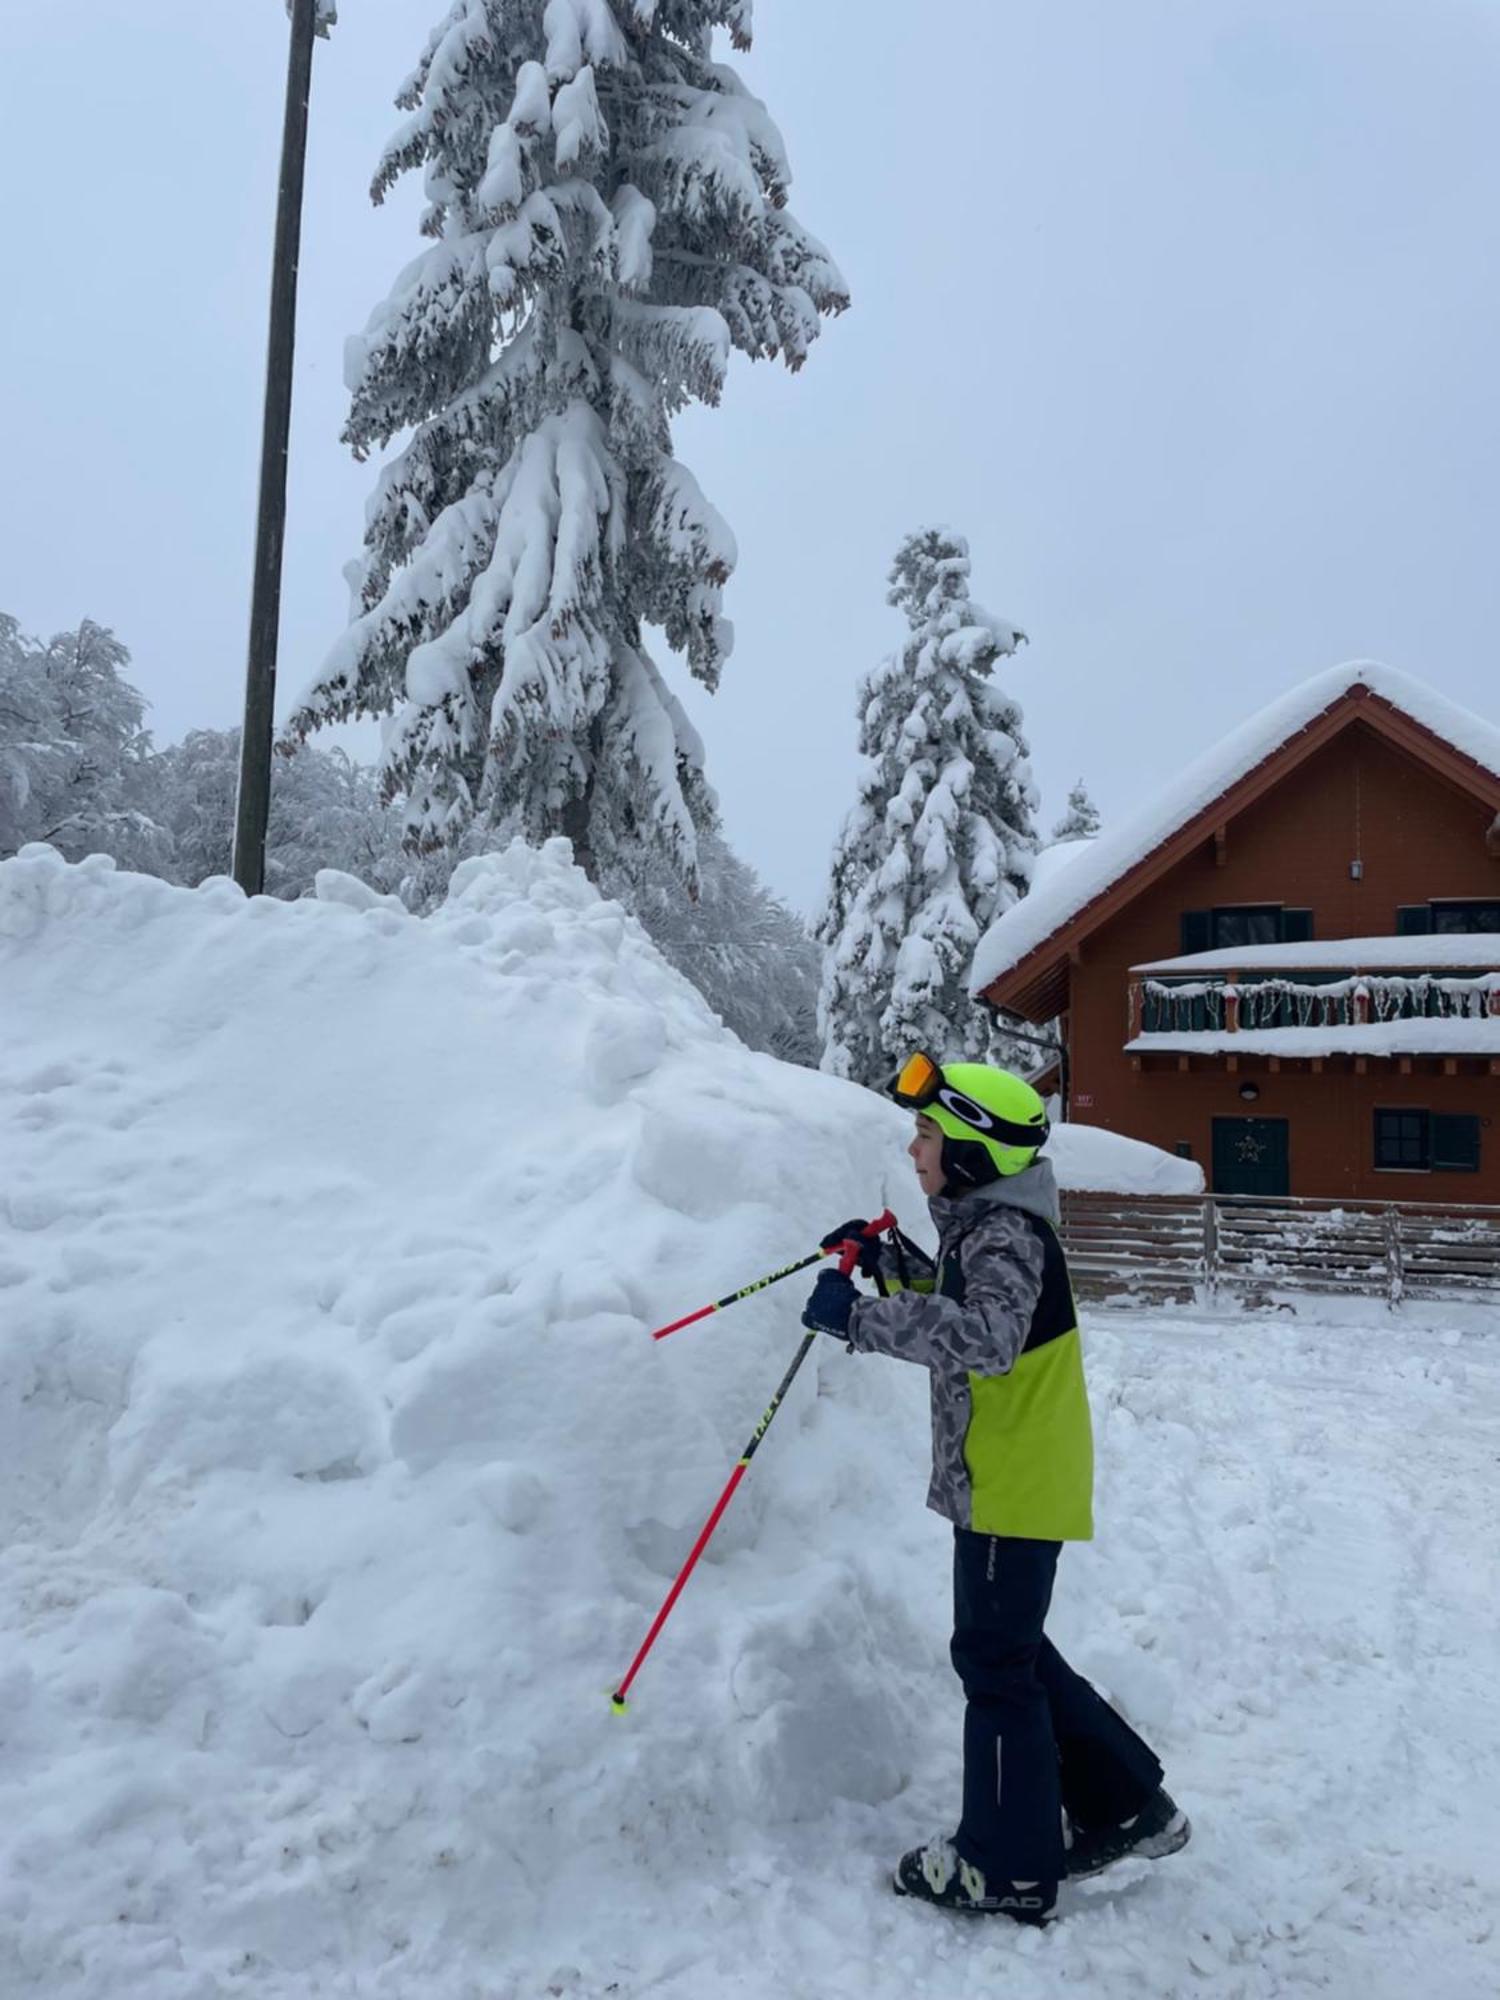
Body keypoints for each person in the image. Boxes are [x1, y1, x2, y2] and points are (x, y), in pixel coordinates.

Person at [802, 1053, 1189, 1925]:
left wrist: (857, 1318)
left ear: (973, 1153)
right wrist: (891, 1261)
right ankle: (1129, 1806)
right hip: (1013, 1475)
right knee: (1013, 1649)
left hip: (1011, 1484)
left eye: (929, 1135)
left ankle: (1006, 1863)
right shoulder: (991, 1229)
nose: (914, 1148)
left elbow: (986, 1335)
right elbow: (965, 1300)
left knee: (992, 1661)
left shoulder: (1006, 1235)